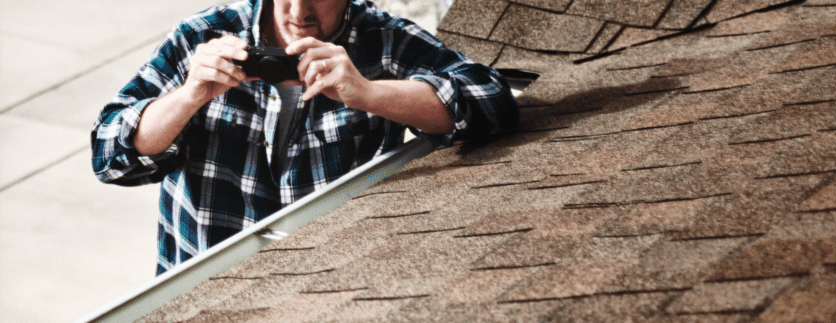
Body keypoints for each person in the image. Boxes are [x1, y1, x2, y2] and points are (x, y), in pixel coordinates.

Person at [91, 0, 518, 275]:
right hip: (203, 289)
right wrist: (188, 97)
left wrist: (370, 93)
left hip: (328, 285)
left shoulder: (381, 41)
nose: (298, 11)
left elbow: (493, 100)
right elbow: (108, 155)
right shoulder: (203, 37)